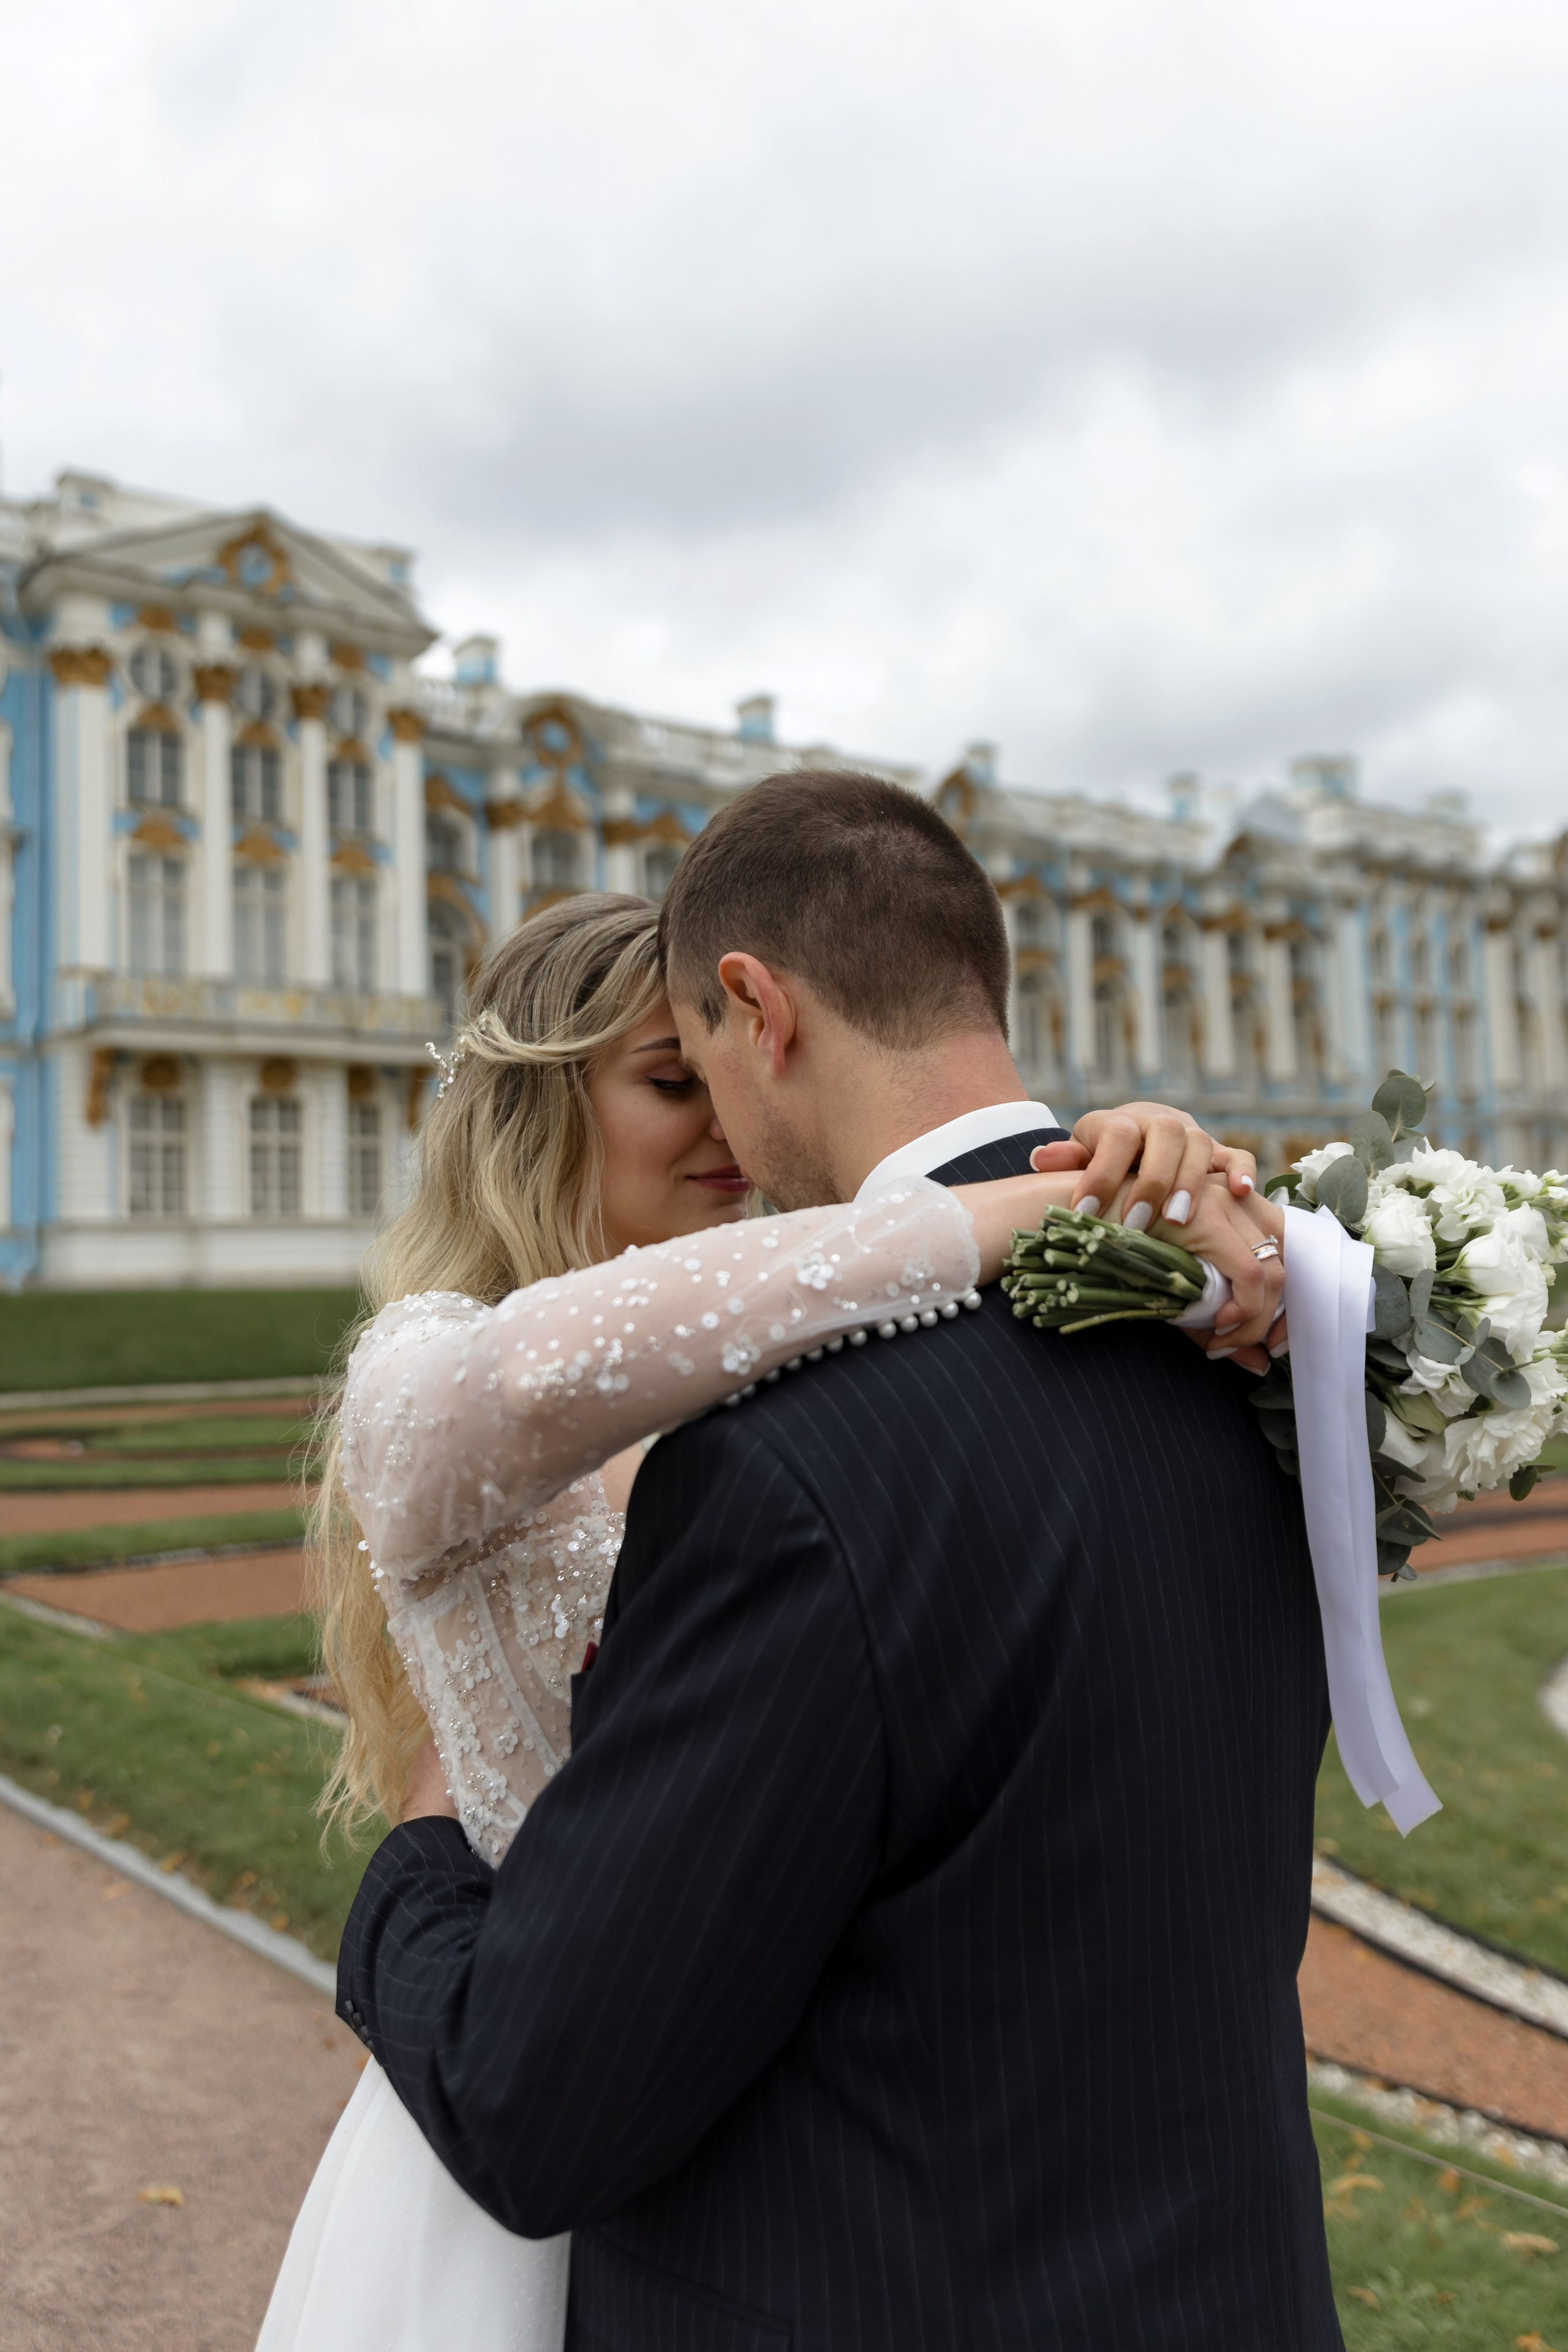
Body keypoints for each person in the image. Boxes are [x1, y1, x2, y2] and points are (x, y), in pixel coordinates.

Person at [333, 774, 1339, 2351]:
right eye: (654, 1089)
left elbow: (545, 2101)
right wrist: (1066, 1186)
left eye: (696, 1073)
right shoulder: (1239, 1349)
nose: (721, 1138)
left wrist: (413, 1866)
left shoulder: (795, 1456)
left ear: (757, 1010)